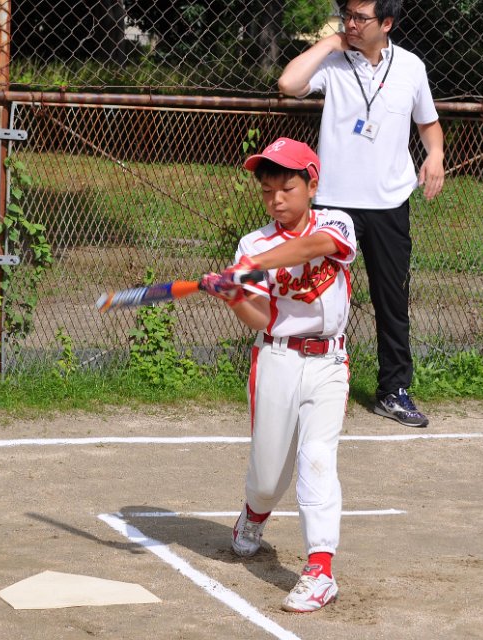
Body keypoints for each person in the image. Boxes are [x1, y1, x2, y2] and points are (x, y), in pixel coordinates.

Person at [200, 137, 357, 612]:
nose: (277, 200)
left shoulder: (335, 223)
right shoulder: (254, 242)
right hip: (277, 359)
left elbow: (316, 246)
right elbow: (263, 317)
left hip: (329, 362)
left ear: (312, 184)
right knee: (268, 477)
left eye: (287, 188)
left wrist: (249, 268)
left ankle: (320, 570)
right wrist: (234, 297)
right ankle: (254, 513)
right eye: (267, 191)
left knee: (316, 459)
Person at [277, 0, 444, 428]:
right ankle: (308, 383)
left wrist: (435, 155)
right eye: (347, 15)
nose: (350, 24)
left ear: (386, 23)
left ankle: (394, 391)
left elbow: (428, 122)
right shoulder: (333, 63)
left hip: (389, 203)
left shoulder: (410, 67)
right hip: (334, 203)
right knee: (319, 296)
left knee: (392, 301)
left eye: (360, 18)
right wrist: (330, 43)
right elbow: (289, 83)